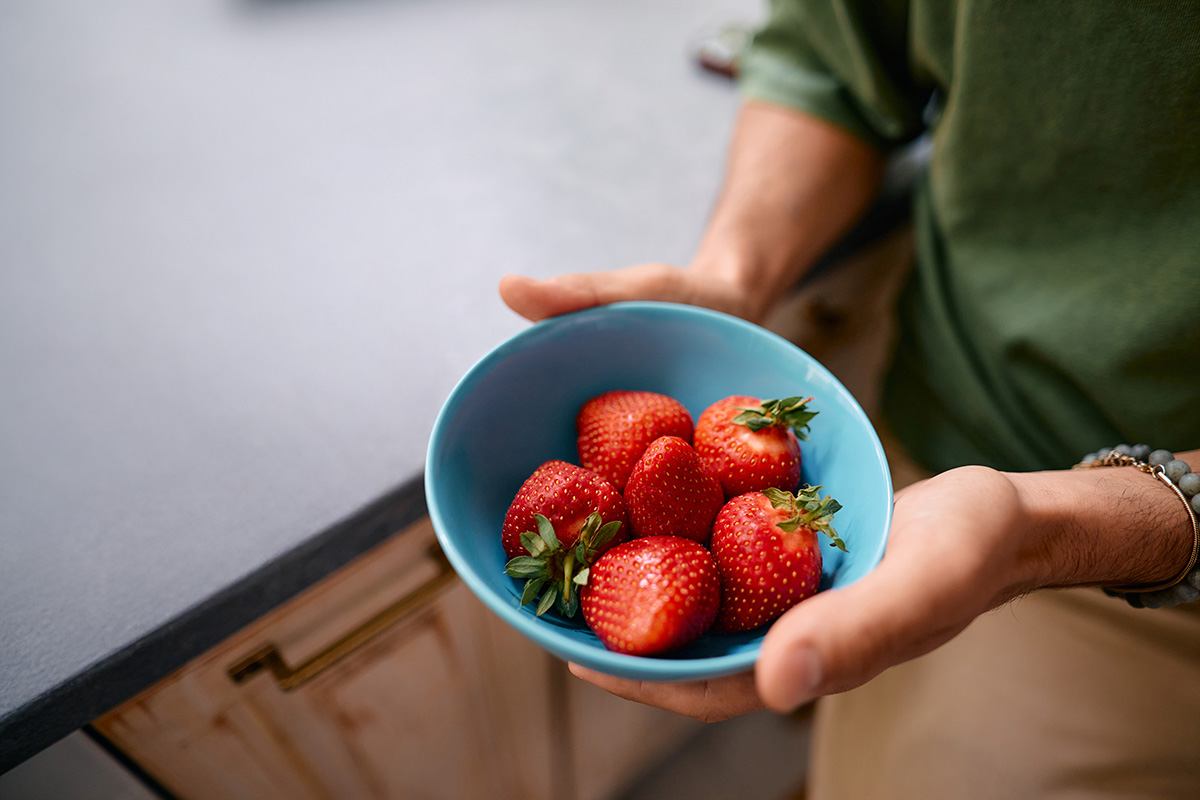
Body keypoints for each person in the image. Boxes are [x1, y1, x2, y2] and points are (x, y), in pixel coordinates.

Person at [500, 2, 1200, 797]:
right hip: (942, 426)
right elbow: (835, 59)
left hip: (1141, 553)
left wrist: (1047, 531)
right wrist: (736, 274)